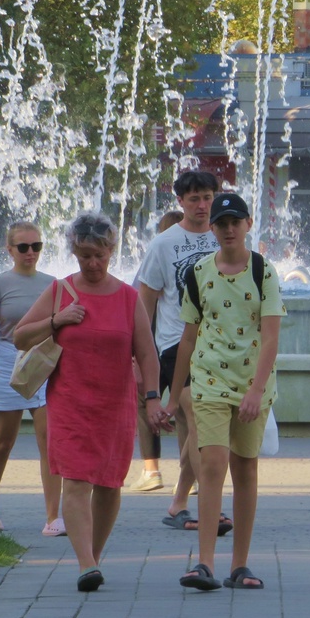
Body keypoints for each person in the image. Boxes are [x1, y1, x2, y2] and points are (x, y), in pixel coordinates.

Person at [14, 211, 165, 592]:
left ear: (112, 250)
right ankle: (85, 564)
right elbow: (19, 337)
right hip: (69, 402)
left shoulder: (129, 298)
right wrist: (57, 320)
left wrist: (151, 399)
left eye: (99, 255)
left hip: (116, 404)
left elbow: (147, 355)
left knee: (110, 483)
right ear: (74, 252)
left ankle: (93, 558)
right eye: (84, 256)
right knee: (77, 481)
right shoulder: (62, 291)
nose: (93, 263)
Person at [166, 192, 284, 592]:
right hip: (209, 381)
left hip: (253, 386)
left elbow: (270, 339)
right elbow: (187, 337)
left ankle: (240, 565)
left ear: (248, 224)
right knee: (212, 463)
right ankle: (203, 564)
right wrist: (171, 395)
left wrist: (254, 391)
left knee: (246, 469)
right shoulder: (198, 273)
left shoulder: (263, 271)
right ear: (212, 229)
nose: (229, 228)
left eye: (236, 221)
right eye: (221, 223)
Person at [133, 170, 231, 534]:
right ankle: (210, 503)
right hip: (177, 343)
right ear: (180, 203)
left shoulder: (225, 233)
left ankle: (178, 502)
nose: (203, 205)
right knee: (196, 412)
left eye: (207, 197)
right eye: (194, 199)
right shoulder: (164, 244)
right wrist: (139, 353)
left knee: (197, 428)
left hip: (221, 344)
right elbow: (146, 299)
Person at [0, 222, 64, 536]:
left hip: (43, 362)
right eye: (23, 247)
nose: (30, 253)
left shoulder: (53, 284)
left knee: (50, 442)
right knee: (2, 442)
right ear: (9, 250)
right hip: (8, 361)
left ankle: (53, 517)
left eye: (36, 246)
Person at [128, 209, 184, 493]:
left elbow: (139, 304)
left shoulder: (156, 254)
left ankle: (152, 470)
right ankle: (192, 475)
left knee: (145, 403)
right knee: (188, 410)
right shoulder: (185, 255)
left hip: (157, 345)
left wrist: (137, 354)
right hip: (179, 345)